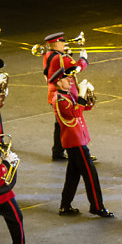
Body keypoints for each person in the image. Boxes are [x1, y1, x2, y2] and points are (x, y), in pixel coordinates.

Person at [52, 65, 113, 218]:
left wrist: (88, 97)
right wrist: (81, 95)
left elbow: (84, 108)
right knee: (91, 175)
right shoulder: (60, 99)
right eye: (66, 79)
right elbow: (73, 113)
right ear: (59, 83)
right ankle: (97, 207)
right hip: (75, 141)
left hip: (77, 139)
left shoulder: (67, 95)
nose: (70, 80)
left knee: (73, 175)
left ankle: (65, 206)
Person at [41, 32, 88, 161]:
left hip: (53, 92)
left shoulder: (48, 55)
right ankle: (74, 151)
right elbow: (76, 67)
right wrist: (84, 59)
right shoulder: (60, 58)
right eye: (62, 42)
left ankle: (58, 151)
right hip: (64, 93)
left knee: (60, 124)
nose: (64, 44)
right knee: (71, 123)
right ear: (56, 44)